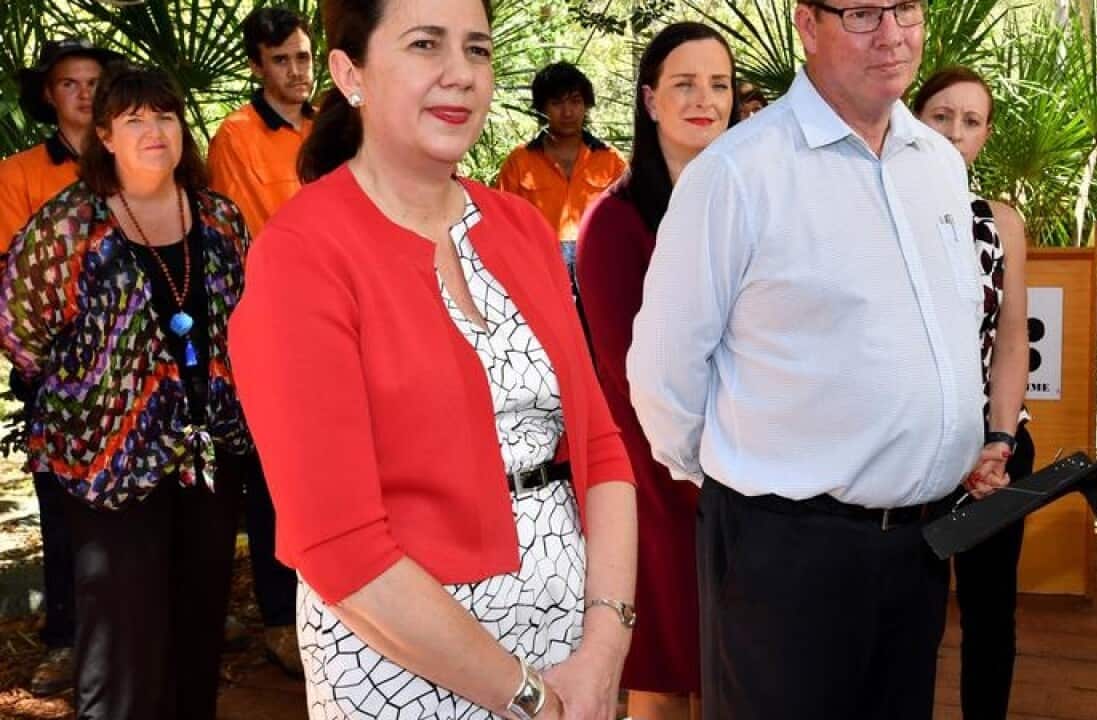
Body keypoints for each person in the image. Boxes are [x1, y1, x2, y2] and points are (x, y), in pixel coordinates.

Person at [227, 0, 638, 718]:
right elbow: (339, 546)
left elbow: (601, 449)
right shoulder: (301, 256)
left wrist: (604, 648)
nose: (460, 74)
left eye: (477, 50)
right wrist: (532, 698)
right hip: (403, 663)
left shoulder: (519, 229)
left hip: (571, 642)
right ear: (350, 73)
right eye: (425, 45)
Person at [627, 1, 1003, 717]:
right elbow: (663, 374)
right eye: (863, 13)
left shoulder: (937, 167)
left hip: (920, 548)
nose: (892, 35)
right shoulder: (737, 173)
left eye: (907, 9)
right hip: (787, 556)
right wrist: (749, 495)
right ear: (807, 23)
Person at [0, 64, 254, 720]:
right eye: (135, 120)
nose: (153, 131)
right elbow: (21, 329)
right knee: (121, 642)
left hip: (211, 451)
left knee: (197, 624)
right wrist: (93, 396)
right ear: (105, 136)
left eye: (165, 116)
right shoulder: (69, 225)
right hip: (110, 462)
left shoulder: (220, 218)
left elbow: (250, 321)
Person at [576, 22, 738, 720]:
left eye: (720, 84)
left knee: (731, 670)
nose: (705, 99)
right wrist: (699, 465)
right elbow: (623, 372)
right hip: (656, 476)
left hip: (745, 474)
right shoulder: (614, 222)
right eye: (684, 84)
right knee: (664, 671)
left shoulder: (742, 201)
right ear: (649, 100)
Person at [913, 65, 1036, 720]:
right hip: (912, 455)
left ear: (985, 135)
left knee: (991, 614)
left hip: (995, 454)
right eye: (941, 116)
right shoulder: (881, 213)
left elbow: (1012, 340)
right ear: (913, 117)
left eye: (971, 121)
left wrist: (998, 439)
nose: (955, 132)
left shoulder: (1002, 222)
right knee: (913, 614)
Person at [0, 36, 121, 698]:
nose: (82, 93)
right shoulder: (18, 172)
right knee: (64, 507)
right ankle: (65, 640)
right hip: (58, 368)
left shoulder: (129, 157)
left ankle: (136, 634)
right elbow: (14, 274)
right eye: (68, 83)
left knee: (140, 504)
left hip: (138, 368)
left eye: (92, 82)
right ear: (48, 93)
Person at [206, 4, 315, 677]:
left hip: (351, 319)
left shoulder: (335, 121)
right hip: (278, 327)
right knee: (276, 480)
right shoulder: (236, 137)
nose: (296, 72)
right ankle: (282, 619)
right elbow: (248, 243)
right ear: (256, 65)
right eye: (281, 60)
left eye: (303, 57)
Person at [495, 60, 626, 273]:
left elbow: (627, 222)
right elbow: (502, 223)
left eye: (575, 101)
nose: (567, 112)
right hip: (537, 267)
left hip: (599, 264)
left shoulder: (611, 161)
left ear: (586, 105)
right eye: (556, 103)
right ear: (541, 108)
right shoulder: (520, 161)